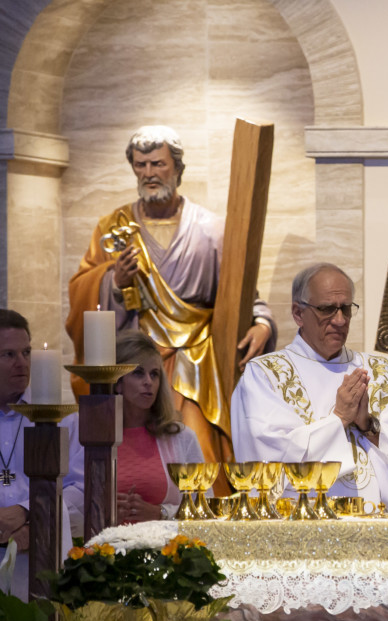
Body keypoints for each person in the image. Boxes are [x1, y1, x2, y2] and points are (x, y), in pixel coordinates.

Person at [64, 125, 276, 467]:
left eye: (158, 164)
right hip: (135, 364)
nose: (149, 173)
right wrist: (113, 282)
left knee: (200, 457)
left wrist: (262, 323)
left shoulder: (211, 230)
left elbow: (242, 293)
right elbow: (81, 291)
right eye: (140, 164)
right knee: (135, 454)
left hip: (197, 360)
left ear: (177, 168)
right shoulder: (112, 228)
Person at [231, 263, 388, 513]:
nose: (339, 320)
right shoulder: (264, 376)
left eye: (346, 309)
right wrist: (338, 419)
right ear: (297, 313)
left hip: (376, 529)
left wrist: (368, 425)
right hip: (296, 530)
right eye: (327, 309)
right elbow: (265, 462)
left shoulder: (385, 373)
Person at [0, 310, 82, 599]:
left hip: (40, 560)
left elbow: (81, 490)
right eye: (8, 354)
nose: (22, 363)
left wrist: (29, 514)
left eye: (26, 352)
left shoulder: (61, 418)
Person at [114, 330, 204, 524]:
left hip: (167, 549)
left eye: (154, 374)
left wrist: (160, 513)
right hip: (103, 549)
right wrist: (105, 512)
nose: (149, 382)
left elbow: (202, 508)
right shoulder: (92, 437)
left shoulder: (181, 437)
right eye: (138, 373)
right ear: (117, 382)